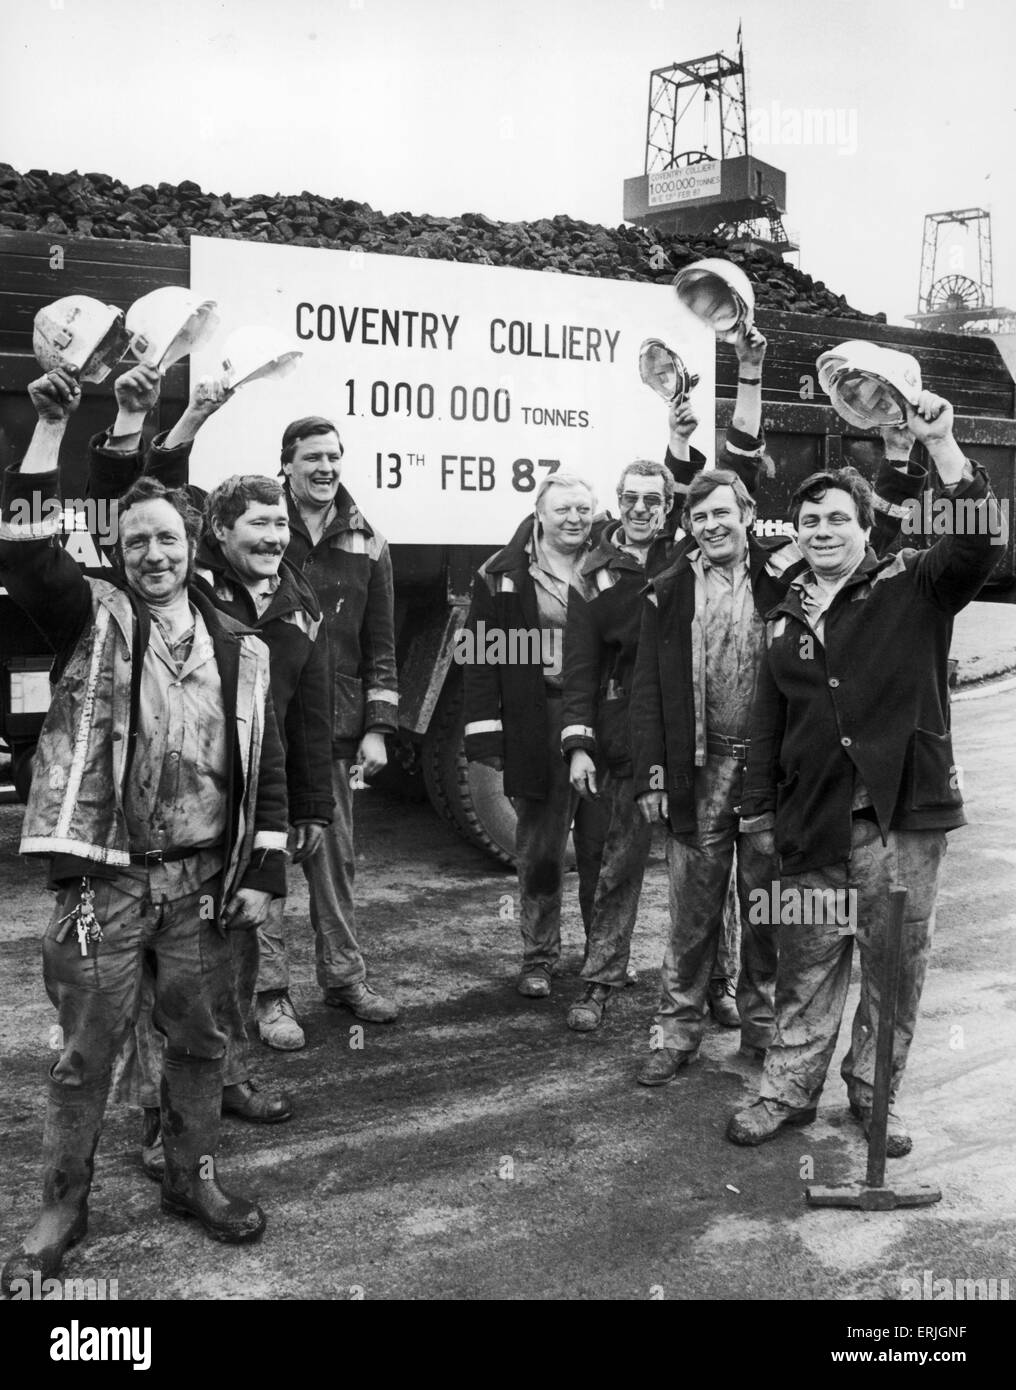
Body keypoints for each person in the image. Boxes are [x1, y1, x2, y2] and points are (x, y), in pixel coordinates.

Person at [0, 369, 290, 1293]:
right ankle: (62, 1207)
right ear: (117, 553)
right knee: (86, 1052)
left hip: (202, 884)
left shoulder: (243, 646)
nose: (152, 554)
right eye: (135, 542)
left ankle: (190, 1176)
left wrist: (263, 869)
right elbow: (25, 554)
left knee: (200, 1042)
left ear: (193, 545)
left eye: (167, 538)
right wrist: (50, 431)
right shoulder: (93, 616)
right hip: (106, 882)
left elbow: (268, 765)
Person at [630, 333, 929, 1085]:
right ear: (689, 525)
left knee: (768, 908)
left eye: (724, 512)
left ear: (748, 513)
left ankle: (761, 1026)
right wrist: (652, 775)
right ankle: (675, 1030)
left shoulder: (784, 574)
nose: (712, 525)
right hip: (698, 772)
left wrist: (900, 456)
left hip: (771, 775)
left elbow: (877, 532)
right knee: (692, 911)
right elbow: (647, 693)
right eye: (700, 517)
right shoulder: (666, 587)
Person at [727, 391, 1005, 1154]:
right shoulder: (785, 617)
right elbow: (766, 723)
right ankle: (786, 1092)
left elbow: (979, 544)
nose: (822, 530)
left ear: (862, 528)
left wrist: (942, 446)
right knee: (805, 968)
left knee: (893, 972)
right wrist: (757, 815)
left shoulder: (914, 584)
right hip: (810, 824)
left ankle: (875, 1100)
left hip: (900, 824)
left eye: (836, 519)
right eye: (809, 521)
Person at [129, 401, 400, 1025]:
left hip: (325, 732)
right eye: (313, 457)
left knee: (332, 864)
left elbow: (379, 642)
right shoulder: (216, 563)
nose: (326, 467)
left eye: (335, 456)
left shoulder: (365, 540)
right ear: (287, 466)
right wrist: (192, 417)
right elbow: (159, 501)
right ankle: (271, 996)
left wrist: (378, 726)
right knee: (260, 868)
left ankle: (345, 977)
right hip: (237, 748)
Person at [560, 376, 757, 1032]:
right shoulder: (595, 576)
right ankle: (599, 981)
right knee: (618, 865)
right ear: (616, 505)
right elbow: (581, 670)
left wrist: (682, 434)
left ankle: (720, 983)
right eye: (631, 499)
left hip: (698, 738)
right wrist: (581, 744)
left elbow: (714, 483)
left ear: (669, 508)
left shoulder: (686, 554)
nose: (642, 508)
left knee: (707, 870)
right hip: (630, 739)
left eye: (654, 499)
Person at [462, 473, 607, 998]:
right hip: (538, 718)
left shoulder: (608, 564)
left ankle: (603, 957)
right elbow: (481, 659)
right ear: (539, 513)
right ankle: (539, 957)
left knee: (601, 847)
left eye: (583, 509)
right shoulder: (503, 575)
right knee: (542, 850)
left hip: (601, 717)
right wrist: (487, 739)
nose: (574, 519)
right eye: (563, 509)